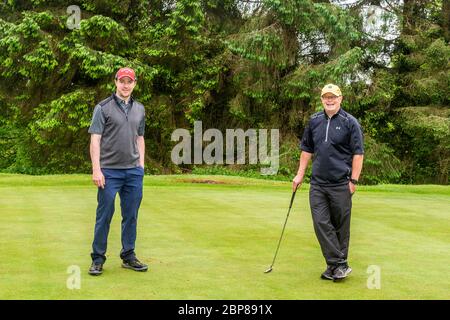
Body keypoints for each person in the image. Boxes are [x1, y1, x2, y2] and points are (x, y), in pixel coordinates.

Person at [292, 84, 364, 281]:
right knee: (321, 223)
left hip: (341, 183)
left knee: (341, 226)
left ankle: (334, 267)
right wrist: (300, 175)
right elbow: (307, 149)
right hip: (318, 184)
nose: (329, 100)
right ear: (322, 99)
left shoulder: (350, 123)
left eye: (333, 97)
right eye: (326, 97)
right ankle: (339, 264)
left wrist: (353, 180)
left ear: (340, 99)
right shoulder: (314, 121)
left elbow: (358, 154)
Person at [87, 67, 148, 275]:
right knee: (104, 214)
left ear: (134, 84)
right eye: (121, 81)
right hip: (109, 171)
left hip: (133, 172)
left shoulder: (140, 108)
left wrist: (141, 166)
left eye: (129, 81)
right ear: (115, 82)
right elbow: (95, 139)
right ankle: (97, 258)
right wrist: (97, 169)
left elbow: (140, 137)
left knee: (131, 215)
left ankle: (129, 256)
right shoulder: (102, 108)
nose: (125, 85)